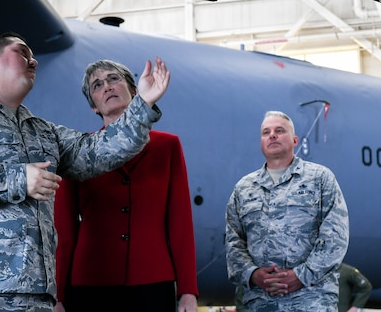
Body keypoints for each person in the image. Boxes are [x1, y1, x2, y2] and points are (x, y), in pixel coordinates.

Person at [0, 32, 170, 312]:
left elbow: (98, 151)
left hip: (35, 295)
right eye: (22, 52)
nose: (33, 61)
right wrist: (19, 180)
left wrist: (142, 105)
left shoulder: (42, 131)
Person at [53, 60, 199, 312]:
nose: (107, 86)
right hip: (90, 282)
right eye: (97, 85)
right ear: (93, 106)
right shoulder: (77, 150)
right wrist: (58, 296)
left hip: (153, 281)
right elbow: (64, 232)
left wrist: (188, 291)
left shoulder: (168, 146)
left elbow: (180, 223)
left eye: (113, 79)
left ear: (134, 91)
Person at [225, 110, 349, 311]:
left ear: (295, 140)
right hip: (260, 303)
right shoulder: (244, 188)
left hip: (311, 301)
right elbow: (233, 242)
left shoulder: (320, 179)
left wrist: (301, 276)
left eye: (279, 130)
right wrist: (253, 274)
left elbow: (336, 236)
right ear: (261, 142)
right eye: (266, 132)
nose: (272, 135)